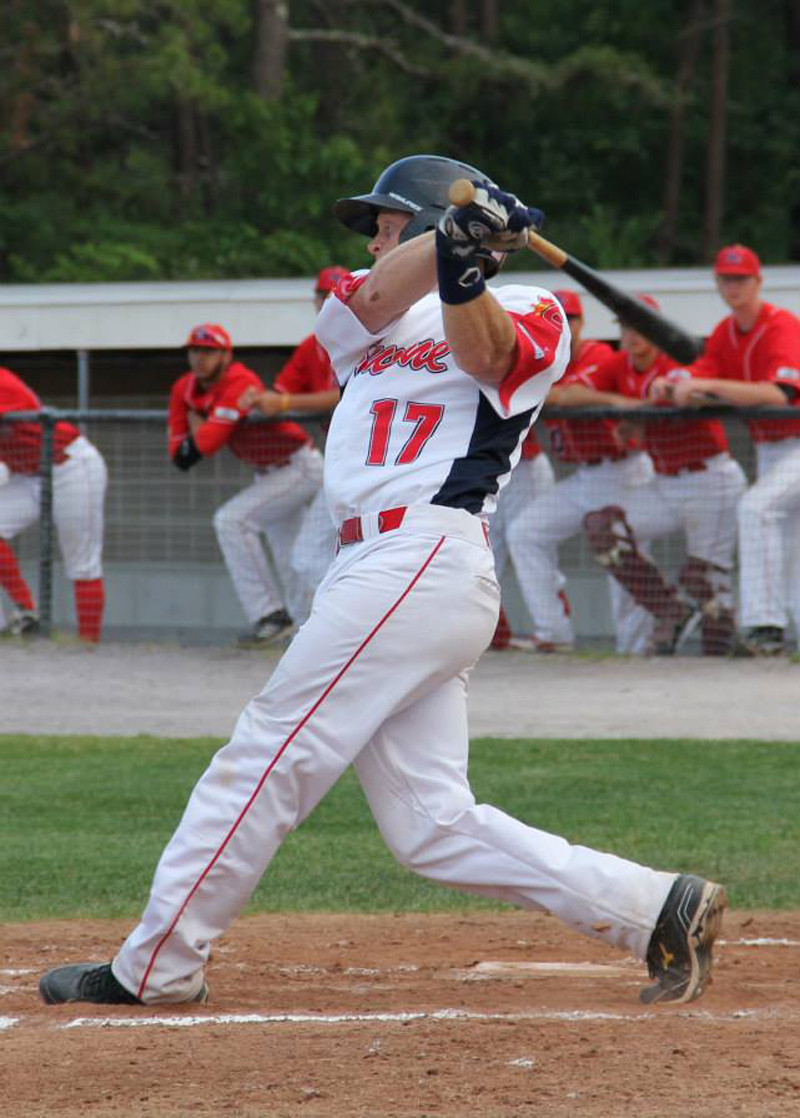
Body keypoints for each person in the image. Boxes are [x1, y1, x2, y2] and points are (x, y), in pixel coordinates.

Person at [39, 155, 725, 1011]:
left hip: (424, 554)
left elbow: (486, 354)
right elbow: (371, 297)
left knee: (265, 753)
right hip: (372, 570)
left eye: (387, 219)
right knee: (431, 825)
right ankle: (656, 907)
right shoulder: (369, 314)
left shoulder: (532, 307)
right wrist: (451, 239)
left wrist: (468, 264)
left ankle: (156, 968)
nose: (372, 235)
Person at [574, 305, 747, 655]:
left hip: (709, 477)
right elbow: (564, 394)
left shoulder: (676, 360)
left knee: (706, 580)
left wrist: (658, 401)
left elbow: (694, 392)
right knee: (603, 529)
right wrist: (627, 409)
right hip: (664, 480)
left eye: (640, 327)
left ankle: (721, 660)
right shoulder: (619, 364)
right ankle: (670, 609)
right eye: (626, 328)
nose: (632, 336)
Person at [652, 245, 800, 656]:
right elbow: (699, 372)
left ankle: (763, 625)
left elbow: (779, 394)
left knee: (756, 510)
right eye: (726, 279)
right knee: (788, 541)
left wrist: (705, 387)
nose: (733, 286)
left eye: (741, 279)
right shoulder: (724, 331)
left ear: (758, 281)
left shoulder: (782, 325)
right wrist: (673, 381)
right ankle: (782, 634)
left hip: (796, 440)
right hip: (770, 448)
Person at [509, 290, 653, 654]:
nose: (565, 326)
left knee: (624, 559)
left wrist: (602, 400)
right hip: (584, 477)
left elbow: (563, 397)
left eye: (570, 319)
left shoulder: (598, 354)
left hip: (623, 471)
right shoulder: (544, 359)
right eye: (557, 318)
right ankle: (553, 632)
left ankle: (635, 649)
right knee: (525, 533)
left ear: (582, 323)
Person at [168, 323, 324, 645]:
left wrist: (201, 427)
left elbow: (206, 444)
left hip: (298, 465)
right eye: (194, 351)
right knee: (289, 556)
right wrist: (202, 432)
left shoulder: (240, 379)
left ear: (226, 355)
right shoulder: (184, 387)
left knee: (232, 521)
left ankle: (269, 614)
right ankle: (304, 632)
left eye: (209, 351)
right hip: (268, 473)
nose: (200, 358)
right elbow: (181, 457)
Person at [241, 266, 347, 622]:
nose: (329, 303)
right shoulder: (311, 347)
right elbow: (283, 392)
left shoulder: (368, 337)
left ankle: (352, 625)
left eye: (337, 296)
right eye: (323, 296)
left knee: (313, 557)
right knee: (314, 557)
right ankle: (330, 631)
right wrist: (259, 398)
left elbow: (344, 396)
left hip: (374, 463)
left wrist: (285, 405)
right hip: (342, 463)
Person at [0, 365, 107, 642]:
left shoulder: (2, 382)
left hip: (69, 465)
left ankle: (88, 646)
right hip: (26, 473)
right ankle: (27, 611)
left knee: (81, 562)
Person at [488, 426, 571, 650]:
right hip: (482, 469)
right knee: (484, 554)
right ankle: (492, 636)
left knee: (528, 545)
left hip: (523, 467)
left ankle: (553, 632)